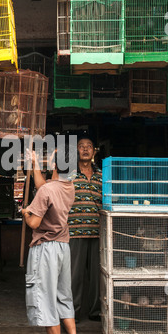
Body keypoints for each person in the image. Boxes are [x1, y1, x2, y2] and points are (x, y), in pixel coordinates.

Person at [22, 144, 84, 334]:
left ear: (56, 165)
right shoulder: (69, 186)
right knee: (63, 298)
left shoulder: (48, 191)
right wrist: (35, 163)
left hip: (45, 249)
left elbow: (35, 222)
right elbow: (44, 187)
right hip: (62, 248)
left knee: (45, 299)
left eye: (53, 158)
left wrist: (26, 213)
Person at [68, 132, 102, 322]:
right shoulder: (69, 175)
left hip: (98, 232)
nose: (86, 149)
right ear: (76, 151)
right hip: (74, 231)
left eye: (89, 146)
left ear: (94, 151)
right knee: (75, 275)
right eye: (82, 145)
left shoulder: (101, 176)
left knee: (98, 276)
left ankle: (96, 311)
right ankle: (73, 313)